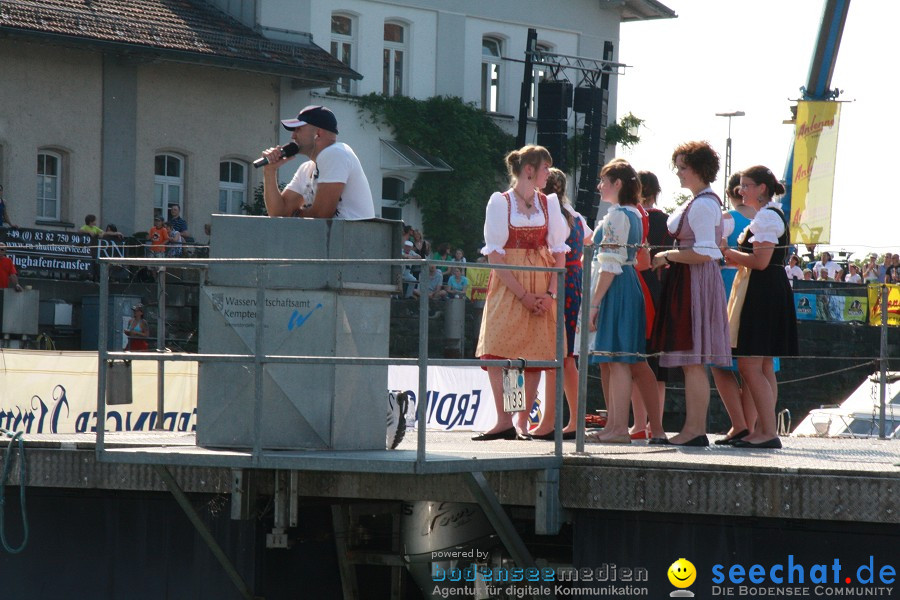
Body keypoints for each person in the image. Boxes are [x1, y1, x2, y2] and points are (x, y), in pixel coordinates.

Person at [473, 145, 567, 441]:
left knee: (535, 352)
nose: (547, 175)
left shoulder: (548, 204)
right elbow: (495, 256)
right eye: (544, 169)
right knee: (505, 349)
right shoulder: (500, 203)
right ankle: (505, 419)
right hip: (511, 284)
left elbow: (559, 252)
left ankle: (520, 421)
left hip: (542, 282)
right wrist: (523, 295)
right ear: (529, 169)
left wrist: (550, 294)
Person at [650, 141, 732, 447]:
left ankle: (695, 429)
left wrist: (668, 256)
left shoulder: (704, 204)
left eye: (683, 168)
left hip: (694, 280)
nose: (679, 173)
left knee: (694, 358)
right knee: (691, 359)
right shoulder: (701, 202)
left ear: (697, 169)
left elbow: (704, 252)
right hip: (690, 279)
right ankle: (693, 428)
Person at [587, 159, 666, 444]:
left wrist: (594, 303)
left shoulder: (620, 215)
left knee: (617, 358)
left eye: (604, 181)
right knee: (623, 359)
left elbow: (610, 263)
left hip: (618, 286)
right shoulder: (632, 213)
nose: (599, 186)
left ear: (617, 184)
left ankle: (619, 428)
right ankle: (624, 425)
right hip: (626, 282)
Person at [722, 166, 798, 449]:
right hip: (767, 289)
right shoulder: (769, 215)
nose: (741, 191)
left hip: (762, 291)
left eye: (747, 185)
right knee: (763, 365)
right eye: (740, 186)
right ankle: (764, 428)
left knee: (750, 364)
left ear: (762, 188)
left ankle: (766, 431)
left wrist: (728, 252)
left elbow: (761, 262)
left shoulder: (766, 216)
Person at [530, 168, 592, 440]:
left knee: (557, 356)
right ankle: (576, 421)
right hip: (574, 280)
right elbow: (589, 238)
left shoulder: (550, 213)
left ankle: (549, 422)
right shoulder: (574, 214)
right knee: (567, 359)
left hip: (558, 282)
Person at [261, 105, 375, 220]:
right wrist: (269, 170)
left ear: (318, 134)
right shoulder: (306, 169)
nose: (293, 136)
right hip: (334, 236)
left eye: (298, 129)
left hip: (351, 236)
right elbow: (279, 214)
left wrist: (294, 215)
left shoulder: (336, 153)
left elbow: (321, 214)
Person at [711, 172, 757, 446]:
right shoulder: (765, 218)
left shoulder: (726, 219)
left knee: (720, 362)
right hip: (757, 288)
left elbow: (715, 254)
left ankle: (738, 424)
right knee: (753, 364)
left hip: (728, 286)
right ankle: (750, 427)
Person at [628, 170, 674, 439]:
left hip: (641, 288)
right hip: (662, 290)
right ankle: (654, 424)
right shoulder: (666, 221)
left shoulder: (635, 217)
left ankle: (638, 424)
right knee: (659, 366)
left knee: (638, 360)